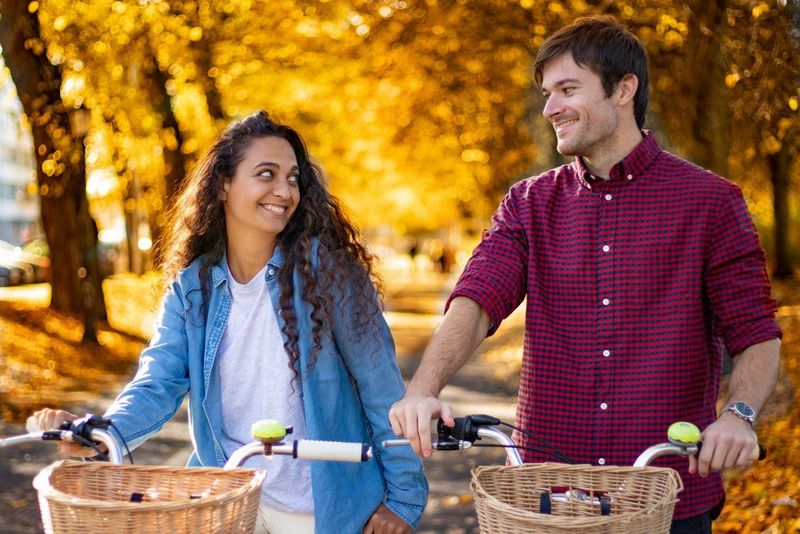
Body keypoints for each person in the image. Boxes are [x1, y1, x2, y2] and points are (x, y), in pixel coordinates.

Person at [389, 16, 781, 534]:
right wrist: (424, 386)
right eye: (548, 92)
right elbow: (479, 298)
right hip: (544, 499)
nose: (551, 108)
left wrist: (739, 415)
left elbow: (756, 333)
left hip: (667, 496)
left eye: (568, 89)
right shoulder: (529, 202)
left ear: (624, 89)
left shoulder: (710, 202)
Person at [33, 111, 427, 534]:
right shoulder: (193, 287)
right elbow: (158, 382)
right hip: (229, 501)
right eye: (266, 174)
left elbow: (381, 389)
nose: (283, 190)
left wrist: (403, 499)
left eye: (293, 178)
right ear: (223, 185)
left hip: (322, 508)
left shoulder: (330, 274)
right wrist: (97, 434)